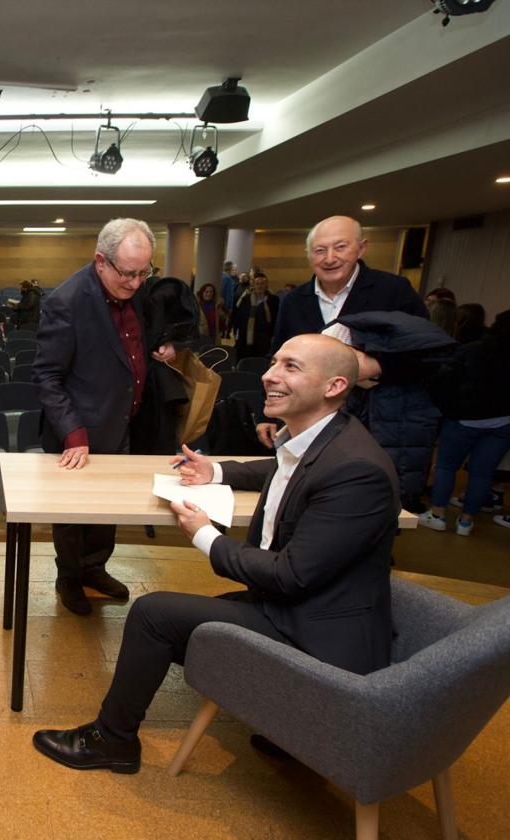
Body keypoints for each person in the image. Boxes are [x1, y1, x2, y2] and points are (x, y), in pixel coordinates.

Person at [33, 334, 399, 774]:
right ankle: (287, 728)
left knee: (153, 615)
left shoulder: (357, 471)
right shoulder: (326, 440)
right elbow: (284, 469)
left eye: (291, 367)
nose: (269, 375)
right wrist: (218, 470)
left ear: (335, 386)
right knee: (186, 622)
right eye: (274, 362)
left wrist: (204, 534)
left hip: (316, 638)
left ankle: (112, 741)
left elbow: (288, 575)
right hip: (304, 610)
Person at [34, 218, 176, 616]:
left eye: (143, 272)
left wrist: (166, 346)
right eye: (127, 273)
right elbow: (47, 375)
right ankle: (69, 578)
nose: (135, 282)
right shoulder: (67, 301)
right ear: (101, 261)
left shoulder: (139, 290)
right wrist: (73, 432)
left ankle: (95, 568)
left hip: (122, 421)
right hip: (76, 429)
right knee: (72, 514)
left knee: (106, 510)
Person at [257, 215, 428, 448]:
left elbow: (429, 352)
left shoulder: (393, 291)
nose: (330, 258)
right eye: (319, 250)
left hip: (381, 420)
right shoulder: (294, 301)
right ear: (308, 256)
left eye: (340, 247)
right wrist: (269, 415)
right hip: (309, 421)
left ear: (361, 248)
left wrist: (377, 367)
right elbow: (277, 356)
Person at [421, 310, 510, 536]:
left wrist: (446, 409)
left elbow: (444, 382)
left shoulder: (472, 350)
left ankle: (438, 515)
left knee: (446, 467)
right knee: (483, 473)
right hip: (502, 423)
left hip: (463, 419)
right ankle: (466, 523)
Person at [231, 270, 280, 358]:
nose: (260, 286)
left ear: (266, 285)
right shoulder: (245, 299)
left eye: (262, 283)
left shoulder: (273, 300)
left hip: (263, 338)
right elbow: (238, 316)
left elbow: (275, 319)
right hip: (245, 337)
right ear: (253, 284)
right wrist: (236, 331)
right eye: (257, 283)